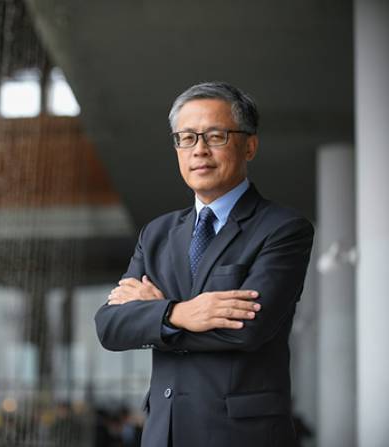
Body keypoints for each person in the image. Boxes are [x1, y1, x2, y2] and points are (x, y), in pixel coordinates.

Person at [94, 81, 314, 447]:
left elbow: (246, 328)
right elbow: (110, 326)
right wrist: (178, 313)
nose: (199, 150)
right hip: (163, 433)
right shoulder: (157, 233)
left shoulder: (282, 228)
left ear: (249, 146)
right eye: (186, 138)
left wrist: (153, 315)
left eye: (215, 136)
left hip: (241, 436)